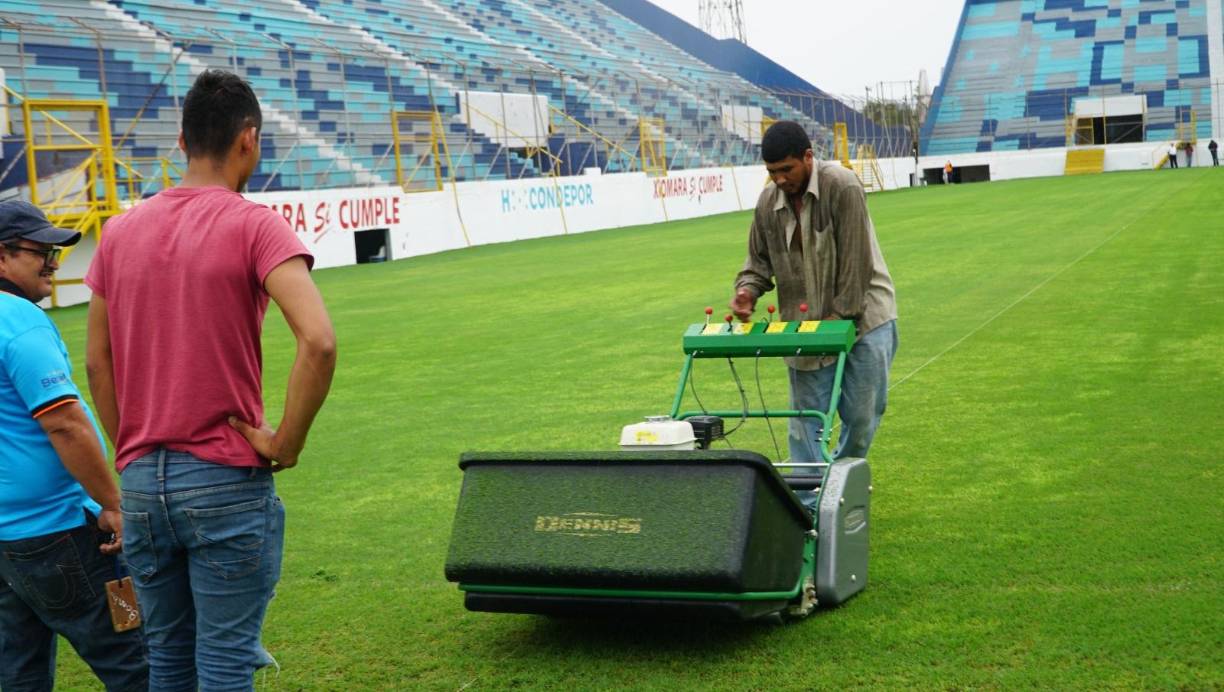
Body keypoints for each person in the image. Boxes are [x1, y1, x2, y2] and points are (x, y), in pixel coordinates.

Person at [84, 70, 337, 691]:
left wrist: (130, 451)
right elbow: (319, 340)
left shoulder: (118, 232)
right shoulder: (255, 224)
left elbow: (97, 362)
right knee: (224, 662)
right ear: (248, 139)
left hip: (141, 484)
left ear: (182, 141)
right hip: (223, 476)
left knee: (167, 658)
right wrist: (286, 443)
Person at [0, 200, 148, 691]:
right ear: (2, 256)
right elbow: (64, 422)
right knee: (135, 657)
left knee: (17, 673)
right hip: (60, 533)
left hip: (7, 539)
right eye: (41, 252)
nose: (53, 262)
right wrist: (114, 503)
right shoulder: (18, 319)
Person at [730, 121, 898, 470]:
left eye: (786, 169)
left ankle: (841, 482)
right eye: (772, 172)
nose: (779, 179)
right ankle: (807, 497)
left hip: (867, 320)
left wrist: (840, 319)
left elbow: (856, 261)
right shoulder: (767, 203)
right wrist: (747, 291)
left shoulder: (842, 186)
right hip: (805, 328)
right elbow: (757, 263)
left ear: (808, 157)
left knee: (861, 417)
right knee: (805, 423)